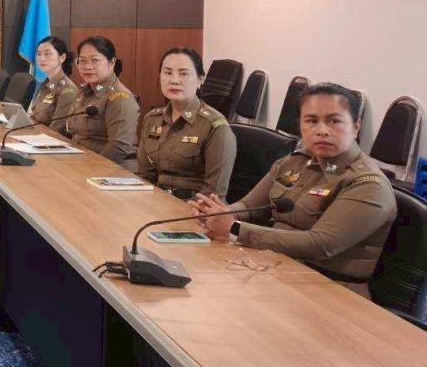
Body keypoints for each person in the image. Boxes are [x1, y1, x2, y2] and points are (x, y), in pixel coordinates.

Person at [189, 83, 395, 297]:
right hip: (275, 270)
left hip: (330, 291)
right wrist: (218, 214)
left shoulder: (368, 184)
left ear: (356, 126)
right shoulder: (295, 162)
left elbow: (320, 245)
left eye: (334, 121)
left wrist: (234, 229)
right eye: (311, 121)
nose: (322, 130)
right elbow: (250, 205)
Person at [138, 48, 236, 200]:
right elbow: (144, 176)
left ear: (200, 79)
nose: (174, 80)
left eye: (183, 74)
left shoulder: (216, 127)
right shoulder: (152, 119)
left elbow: (213, 194)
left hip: (196, 208)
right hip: (157, 202)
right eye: (168, 73)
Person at [65, 35, 139, 164]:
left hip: (112, 168)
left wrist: (92, 169)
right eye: (82, 61)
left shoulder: (120, 98)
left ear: (112, 63)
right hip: (81, 161)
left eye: (95, 61)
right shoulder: (83, 91)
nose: (88, 66)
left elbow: (118, 147)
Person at [26, 36, 78, 132]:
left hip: (51, 139)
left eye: (47, 54)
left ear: (62, 57)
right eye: (38, 54)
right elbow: (34, 116)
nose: (42, 58)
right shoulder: (45, 83)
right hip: (36, 134)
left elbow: (57, 129)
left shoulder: (68, 90)